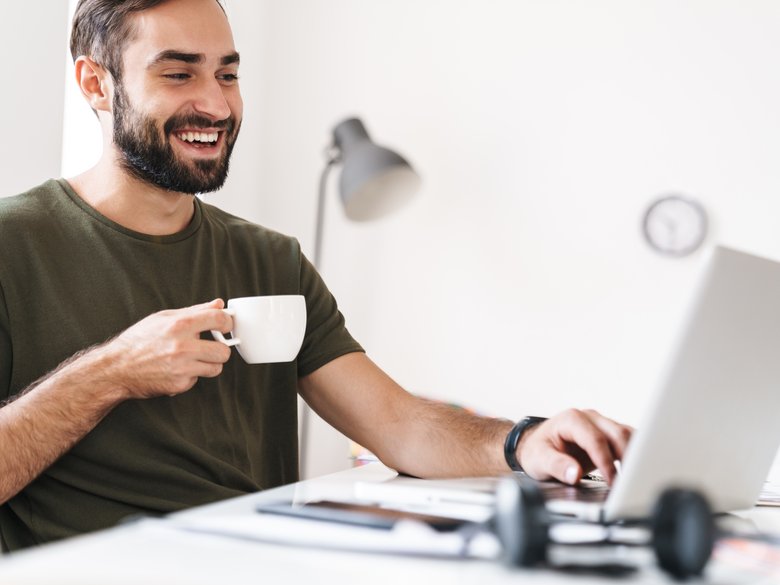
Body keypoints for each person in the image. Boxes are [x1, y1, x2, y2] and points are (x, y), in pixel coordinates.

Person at [0, 0, 631, 551]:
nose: (216, 104)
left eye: (228, 73)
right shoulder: (13, 243)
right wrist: (111, 372)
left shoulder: (270, 258)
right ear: (95, 83)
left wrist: (526, 440)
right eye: (178, 72)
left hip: (266, 562)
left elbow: (399, 423)